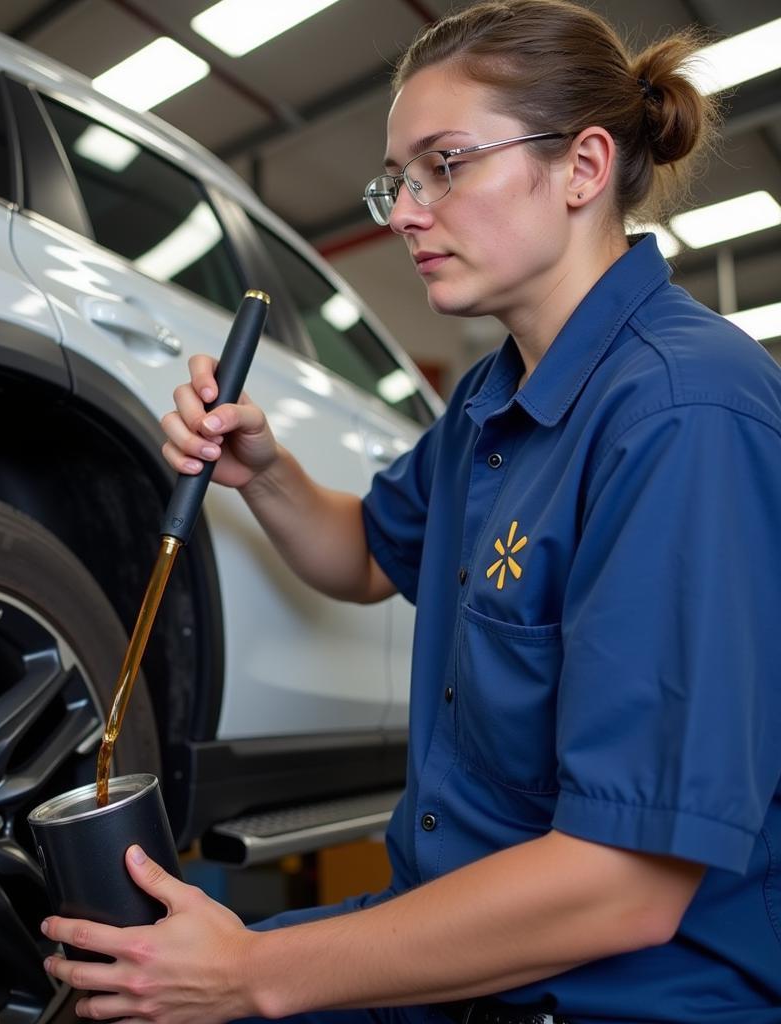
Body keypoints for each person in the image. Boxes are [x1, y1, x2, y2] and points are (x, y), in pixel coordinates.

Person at [39, 2, 781, 1021]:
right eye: (399, 180)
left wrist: (252, 974)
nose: (405, 211)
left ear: (582, 166)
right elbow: (363, 556)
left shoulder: (682, 413)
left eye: (447, 165)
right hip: (453, 933)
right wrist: (266, 471)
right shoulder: (489, 395)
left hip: (627, 989)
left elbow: (627, 887)